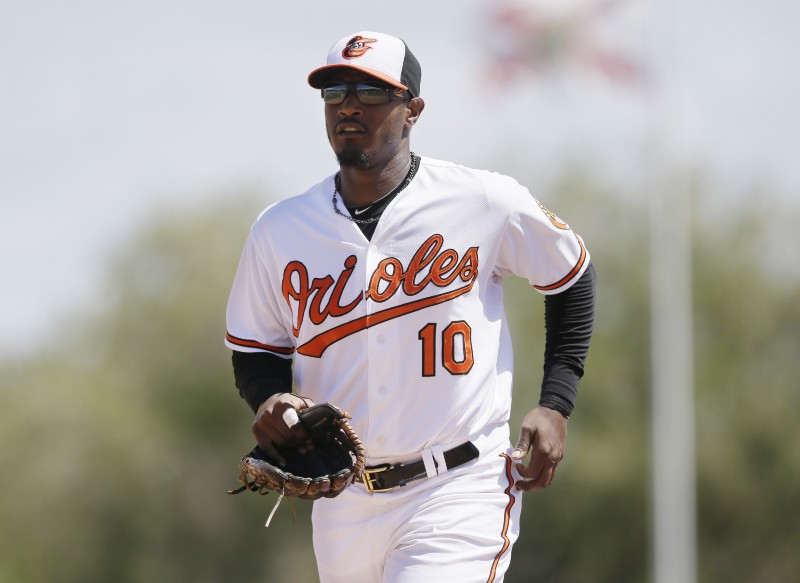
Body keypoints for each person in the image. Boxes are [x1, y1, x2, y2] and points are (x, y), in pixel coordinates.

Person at [224, 31, 596, 582]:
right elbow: (255, 349)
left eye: (371, 92)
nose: (349, 105)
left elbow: (571, 273)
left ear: (412, 110)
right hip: (342, 503)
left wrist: (557, 401)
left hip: (458, 486)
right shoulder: (281, 229)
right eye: (335, 91)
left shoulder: (481, 201)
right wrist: (272, 398)